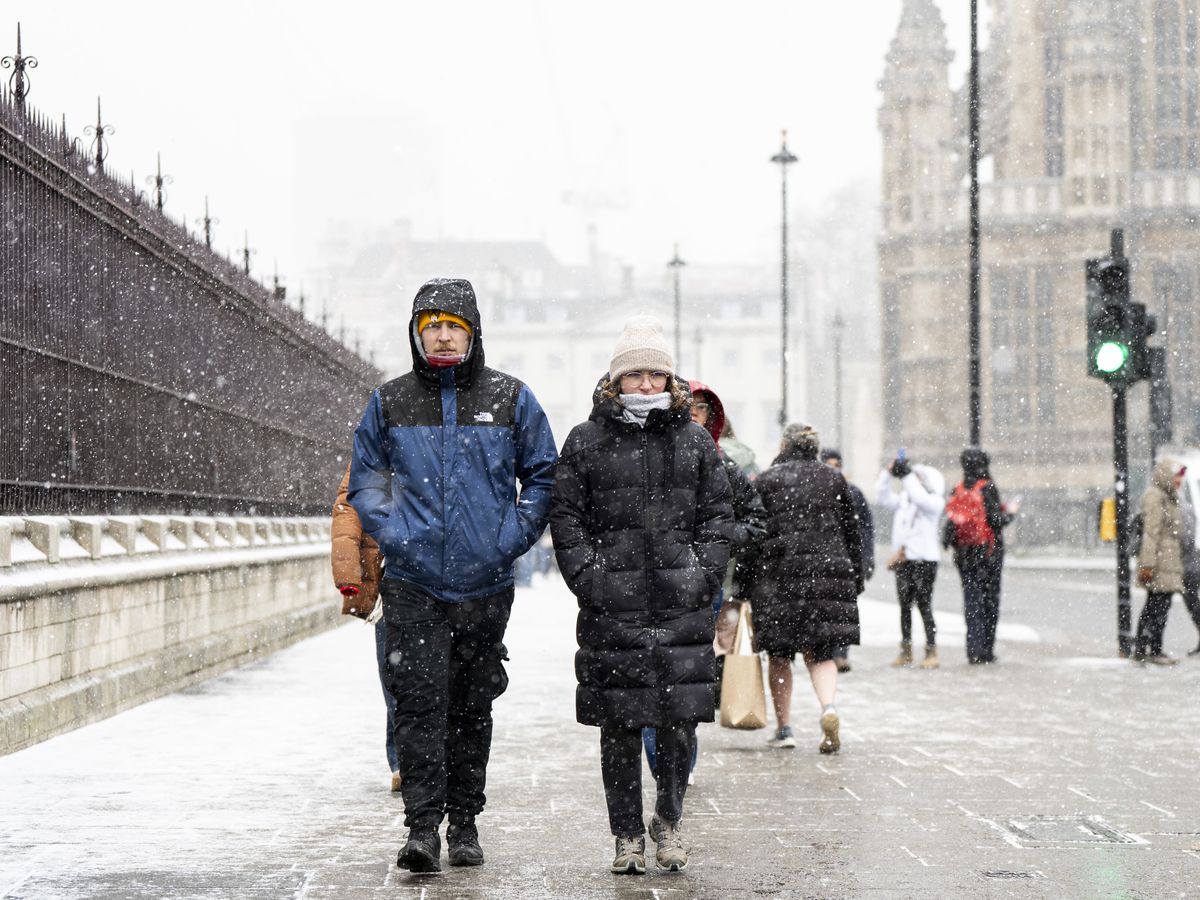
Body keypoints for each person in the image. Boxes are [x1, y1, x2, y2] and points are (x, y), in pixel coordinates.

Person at [348, 278, 558, 873]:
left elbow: (542, 476)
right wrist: (395, 533)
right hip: (413, 581)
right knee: (418, 703)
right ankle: (421, 829)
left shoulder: (511, 398)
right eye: (431, 325)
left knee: (471, 703)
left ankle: (464, 822)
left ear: (472, 333)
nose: (442, 335)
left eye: (453, 326)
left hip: (484, 583)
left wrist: (509, 538)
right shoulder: (390, 401)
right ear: (416, 334)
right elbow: (366, 479)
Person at [550, 316, 732, 875]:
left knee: (679, 725)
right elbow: (566, 517)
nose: (648, 386)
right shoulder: (586, 441)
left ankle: (670, 820)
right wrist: (592, 580)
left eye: (657, 374)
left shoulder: (695, 441)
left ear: (671, 381)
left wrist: (702, 575)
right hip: (615, 610)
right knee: (620, 730)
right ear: (616, 381)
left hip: (681, 607)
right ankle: (627, 835)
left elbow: (719, 515)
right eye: (636, 376)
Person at [644, 380, 766, 782]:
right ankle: (663, 764)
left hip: (704, 586)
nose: (695, 415)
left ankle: (680, 763)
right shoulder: (650, 456)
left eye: (703, 410)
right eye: (689, 407)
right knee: (647, 674)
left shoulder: (722, 464)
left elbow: (755, 522)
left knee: (686, 676)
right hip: (648, 583)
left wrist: (716, 545)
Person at [746, 423, 863, 753]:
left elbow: (756, 534)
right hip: (826, 576)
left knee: (780, 654)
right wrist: (855, 576)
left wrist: (745, 581)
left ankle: (785, 728)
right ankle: (828, 708)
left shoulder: (767, 481)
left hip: (778, 576)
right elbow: (850, 531)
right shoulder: (833, 478)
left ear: (784, 444)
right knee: (822, 651)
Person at [331, 464, 396, 790]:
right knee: (394, 673)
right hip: (386, 582)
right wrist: (348, 577)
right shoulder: (369, 455)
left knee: (406, 673)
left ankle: (412, 757)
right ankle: (402, 760)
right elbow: (346, 515)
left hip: (422, 574)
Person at [943, 447, 1014, 665]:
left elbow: (951, 522)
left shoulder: (958, 488)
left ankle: (973, 648)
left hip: (965, 554)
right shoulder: (987, 487)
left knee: (971, 601)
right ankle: (986, 650)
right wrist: (1010, 514)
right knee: (990, 602)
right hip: (988, 554)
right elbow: (994, 520)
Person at [875, 455, 945, 669]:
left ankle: (931, 650)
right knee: (904, 607)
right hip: (904, 560)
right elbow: (881, 496)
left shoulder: (933, 502)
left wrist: (906, 475)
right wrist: (889, 473)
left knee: (924, 606)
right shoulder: (905, 502)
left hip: (925, 561)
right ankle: (905, 650)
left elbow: (920, 497)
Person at [819, 448, 874, 673]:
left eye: (837, 465)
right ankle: (828, 651)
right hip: (824, 558)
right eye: (829, 465)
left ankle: (841, 653)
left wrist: (867, 557)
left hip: (845, 558)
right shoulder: (818, 492)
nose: (834, 470)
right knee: (825, 607)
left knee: (843, 608)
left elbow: (865, 529)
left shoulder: (853, 493)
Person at [1134, 459, 1186, 665]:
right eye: (1176, 477)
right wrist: (1147, 564)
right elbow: (1151, 532)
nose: (1178, 482)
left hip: (1168, 561)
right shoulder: (1156, 496)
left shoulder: (1169, 497)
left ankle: (1151, 648)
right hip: (1159, 562)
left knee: (1160, 606)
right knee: (1155, 606)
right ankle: (1147, 649)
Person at [1176, 482, 1200, 657]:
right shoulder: (1185, 508)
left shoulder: (1182, 509)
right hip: (1187, 563)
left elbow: (1187, 539)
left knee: (1192, 602)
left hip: (1187, 564)